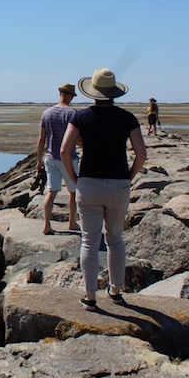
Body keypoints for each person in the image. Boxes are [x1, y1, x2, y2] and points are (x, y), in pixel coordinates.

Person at [61, 68, 147, 310]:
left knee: (88, 241)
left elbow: (64, 150)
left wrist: (75, 177)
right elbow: (141, 154)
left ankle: (90, 296)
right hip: (118, 183)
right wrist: (129, 177)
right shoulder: (127, 118)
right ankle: (116, 291)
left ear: (93, 93)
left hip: (89, 182)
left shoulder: (81, 117)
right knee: (115, 239)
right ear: (113, 93)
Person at [36, 83, 80, 234]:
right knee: (73, 192)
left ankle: (46, 225)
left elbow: (41, 139)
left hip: (50, 157)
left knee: (51, 192)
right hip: (68, 158)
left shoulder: (47, 113)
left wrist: (38, 160)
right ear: (69, 95)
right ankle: (72, 222)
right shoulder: (73, 113)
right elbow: (77, 139)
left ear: (60, 93)